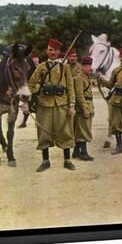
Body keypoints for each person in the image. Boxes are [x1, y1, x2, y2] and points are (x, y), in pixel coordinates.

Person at [28, 38, 77, 172]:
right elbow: (31, 84)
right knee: (44, 132)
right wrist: (27, 98)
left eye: (55, 50)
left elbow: (70, 87)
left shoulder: (64, 67)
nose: (53, 52)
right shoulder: (41, 67)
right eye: (50, 50)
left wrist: (72, 105)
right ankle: (45, 161)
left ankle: (67, 160)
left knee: (65, 131)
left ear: (59, 52)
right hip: (44, 104)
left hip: (62, 103)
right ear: (47, 51)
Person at [72, 56, 95, 161]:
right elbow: (80, 95)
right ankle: (83, 152)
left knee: (83, 129)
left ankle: (76, 152)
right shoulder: (79, 78)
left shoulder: (86, 77)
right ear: (82, 66)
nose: (90, 68)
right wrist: (85, 108)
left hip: (88, 105)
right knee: (84, 130)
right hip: (83, 107)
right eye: (88, 66)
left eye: (90, 65)